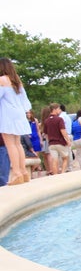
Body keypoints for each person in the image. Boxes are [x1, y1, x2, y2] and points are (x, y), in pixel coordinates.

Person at [0, 57, 33, 185]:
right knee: (17, 143)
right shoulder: (17, 82)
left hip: (8, 114)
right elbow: (25, 101)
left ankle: (16, 173)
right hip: (19, 114)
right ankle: (23, 172)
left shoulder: (2, 80)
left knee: (10, 144)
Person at [43, 103, 72, 174]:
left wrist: (49, 140)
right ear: (54, 109)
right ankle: (62, 172)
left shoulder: (46, 121)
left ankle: (55, 175)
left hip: (51, 143)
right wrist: (68, 140)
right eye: (58, 109)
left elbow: (45, 134)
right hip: (60, 142)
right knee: (65, 157)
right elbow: (63, 131)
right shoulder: (59, 119)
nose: (60, 110)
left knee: (54, 160)